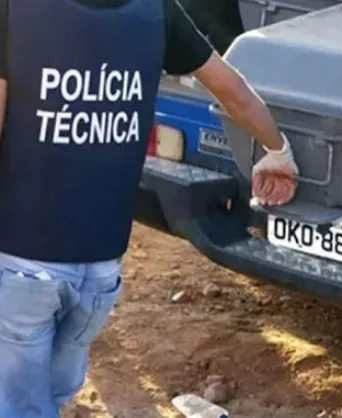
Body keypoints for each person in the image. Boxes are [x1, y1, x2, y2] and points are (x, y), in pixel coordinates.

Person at [0, 0, 298, 416]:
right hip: (100, 270)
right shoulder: (157, 10)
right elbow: (232, 89)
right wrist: (277, 150)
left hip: (21, 260)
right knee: (47, 394)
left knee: (20, 402)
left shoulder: (15, 10)